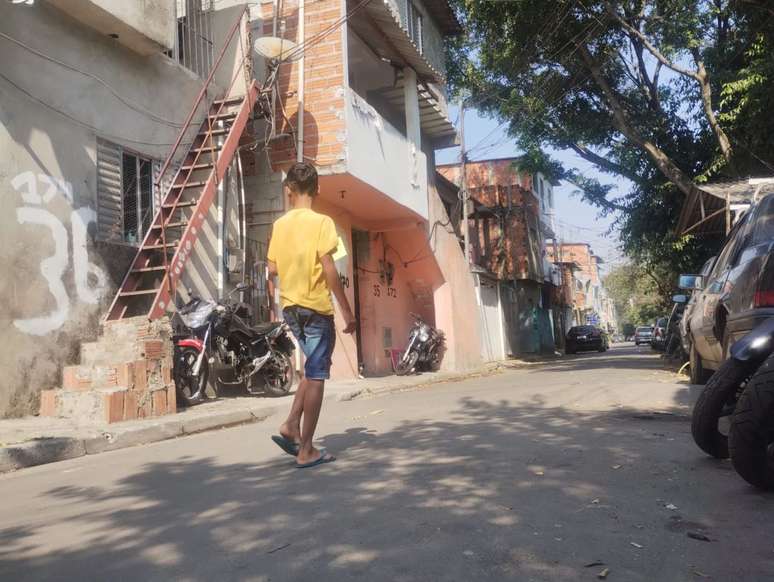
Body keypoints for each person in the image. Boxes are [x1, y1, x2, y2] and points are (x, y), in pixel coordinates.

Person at [266, 162, 356, 468]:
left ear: (289, 190)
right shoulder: (322, 223)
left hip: (290, 308)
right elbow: (330, 267)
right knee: (317, 376)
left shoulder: (279, 226)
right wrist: (347, 310)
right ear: (316, 190)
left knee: (310, 370)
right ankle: (306, 449)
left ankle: (291, 424)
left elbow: (273, 268)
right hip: (317, 308)